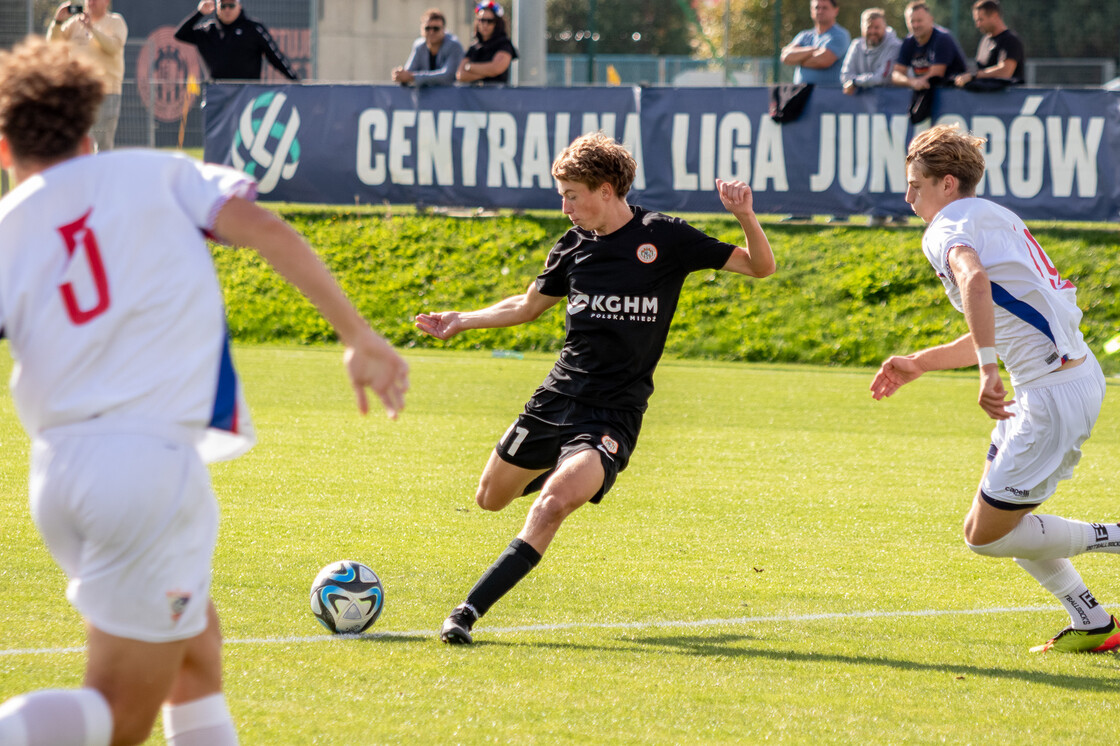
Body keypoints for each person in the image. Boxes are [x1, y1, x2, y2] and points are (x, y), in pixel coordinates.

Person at [0, 36, 408, 746]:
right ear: (90, 127)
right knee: (120, 714)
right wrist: (357, 336)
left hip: (58, 476)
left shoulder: (8, 229)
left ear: (4, 149)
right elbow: (264, 228)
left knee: (198, 647)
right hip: (145, 469)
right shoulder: (157, 174)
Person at [415, 132, 776, 645]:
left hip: (612, 413)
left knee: (551, 506)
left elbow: (761, 267)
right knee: (490, 499)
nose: (564, 207)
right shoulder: (573, 247)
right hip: (556, 399)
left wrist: (745, 216)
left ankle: (466, 612)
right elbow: (525, 307)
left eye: (572, 195)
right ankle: (564, 466)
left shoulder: (665, 237)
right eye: (562, 195)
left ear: (606, 190)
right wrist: (461, 320)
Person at [870, 124, 1120, 654]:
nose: (908, 196)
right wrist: (921, 362)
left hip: (1049, 394)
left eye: (916, 184)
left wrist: (987, 370)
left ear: (948, 183)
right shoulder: (996, 216)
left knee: (985, 537)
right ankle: (1092, 620)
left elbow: (974, 282)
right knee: (1002, 519)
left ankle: (1114, 537)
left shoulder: (945, 228)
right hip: (1064, 379)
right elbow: (1004, 319)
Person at [45, 0, 126, 152]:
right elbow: (53, 46)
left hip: (106, 92)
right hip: (78, 94)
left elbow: (113, 47)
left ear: (107, 2)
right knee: (78, 143)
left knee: (102, 145)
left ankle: (101, 175)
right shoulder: (74, 23)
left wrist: (91, 29)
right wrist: (57, 21)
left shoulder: (116, 21)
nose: (91, 2)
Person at [174, 0, 298, 81]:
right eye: (223, 6)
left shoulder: (253, 28)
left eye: (231, 5)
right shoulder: (208, 30)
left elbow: (275, 56)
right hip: (218, 93)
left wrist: (295, 80)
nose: (227, 10)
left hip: (246, 91)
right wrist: (200, 13)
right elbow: (180, 34)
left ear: (239, 6)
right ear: (217, 7)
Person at [891, 1, 967, 90]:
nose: (915, 25)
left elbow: (936, 75)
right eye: (912, 21)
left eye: (919, 21)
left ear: (931, 20)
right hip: (928, 93)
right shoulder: (908, 41)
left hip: (954, 93)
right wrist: (912, 82)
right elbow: (896, 75)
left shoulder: (942, 38)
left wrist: (916, 83)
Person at [954, 0, 1025, 90]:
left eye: (980, 20)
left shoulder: (1010, 39)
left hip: (1008, 100)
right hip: (985, 100)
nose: (977, 25)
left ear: (995, 16)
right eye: (976, 21)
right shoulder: (985, 40)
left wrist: (975, 75)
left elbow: (1005, 72)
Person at [780, 0, 852, 87]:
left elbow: (823, 61)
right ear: (811, 10)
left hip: (828, 95)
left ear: (835, 11)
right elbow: (786, 57)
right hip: (800, 94)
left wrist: (798, 59)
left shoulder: (840, 35)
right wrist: (812, 50)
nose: (820, 11)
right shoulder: (804, 35)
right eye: (817, 8)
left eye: (825, 8)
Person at [392, 8, 463, 87]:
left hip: (451, 97)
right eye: (427, 28)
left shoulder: (454, 46)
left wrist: (413, 77)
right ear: (421, 29)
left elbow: (448, 76)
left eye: (436, 29)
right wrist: (400, 75)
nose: (431, 32)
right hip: (425, 98)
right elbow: (408, 72)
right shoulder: (419, 45)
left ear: (444, 29)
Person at [841, 8, 902, 94]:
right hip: (861, 102)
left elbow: (883, 77)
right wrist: (861, 81)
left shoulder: (894, 45)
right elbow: (845, 76)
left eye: (877, 27)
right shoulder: (856, 44)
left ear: (884, 27)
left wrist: (855, 82)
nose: (872, 31)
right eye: (869, 27)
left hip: (888, 101)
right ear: (862, 27)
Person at [456, 1, 518, 86]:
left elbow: (496, 69)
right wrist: (486, 72)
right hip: (474, 96)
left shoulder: (504, 44)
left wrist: (470, 67)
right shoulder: (474, 47)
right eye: (481, 20)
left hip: (497, 96)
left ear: (497, 23)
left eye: (490, 21)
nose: (485, 24)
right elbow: (460, 75)